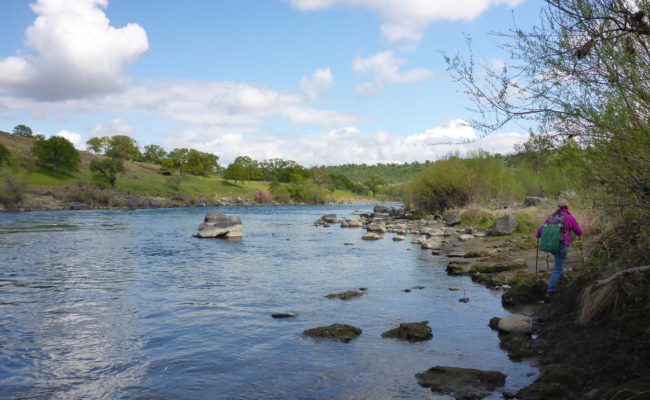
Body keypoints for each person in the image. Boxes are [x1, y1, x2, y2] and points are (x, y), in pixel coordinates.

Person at [535, 199, 583, 294]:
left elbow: (539, 232)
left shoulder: (550, 217)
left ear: (558, 207)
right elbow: (579, 232)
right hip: (562, 244)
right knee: (557, 268)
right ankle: (550, 290)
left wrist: (537, 235)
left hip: (551, 245)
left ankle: (562, 279)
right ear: (567, 207)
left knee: (559, 261)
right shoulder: (570, 218)